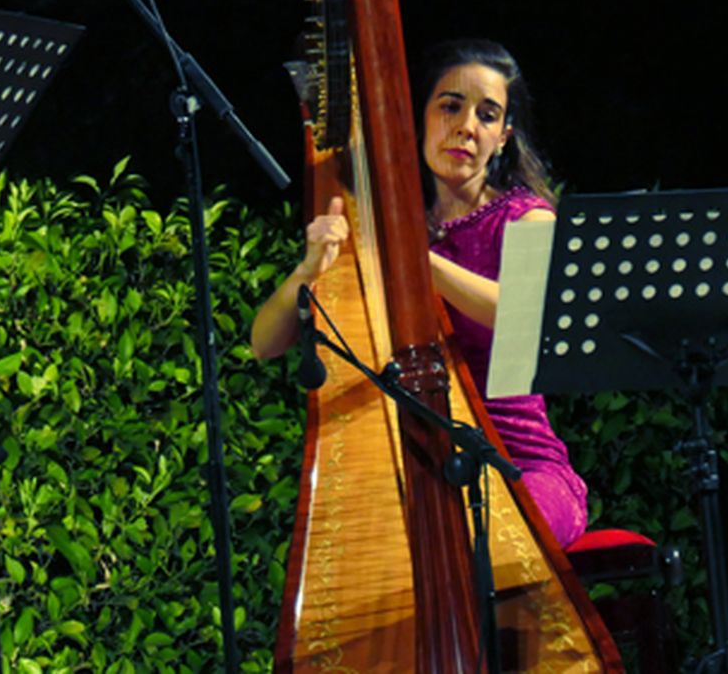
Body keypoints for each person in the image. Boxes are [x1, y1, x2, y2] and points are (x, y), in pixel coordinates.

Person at [250, 38, 587, 547]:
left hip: (520, 467)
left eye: (487, 115)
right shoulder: (383, 224)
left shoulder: (527, 218)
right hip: (418, 471)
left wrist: (412, 259)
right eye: (450, 105)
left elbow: (524, 315)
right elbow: (263, 344)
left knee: (470, 543)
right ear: (423, 118)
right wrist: (308, 269)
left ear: (504, 136)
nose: (466, 127)